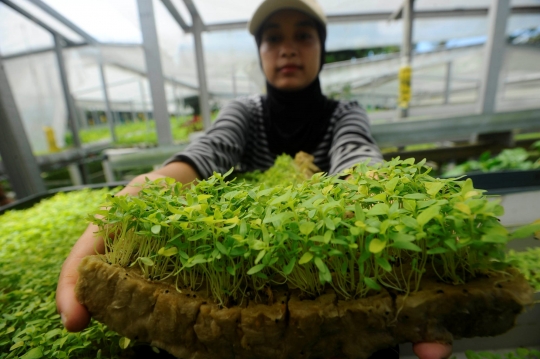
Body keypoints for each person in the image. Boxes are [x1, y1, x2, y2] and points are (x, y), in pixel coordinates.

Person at [56, 0, 452, 358]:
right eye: (273, 38)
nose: (288, 48)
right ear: (260, 52)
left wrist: (374, 192)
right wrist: (151, 185)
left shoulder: (345, 113)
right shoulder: (244, 112)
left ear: (322, 49)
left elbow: (358, 155)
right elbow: (208, 152)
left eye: (304, 36)